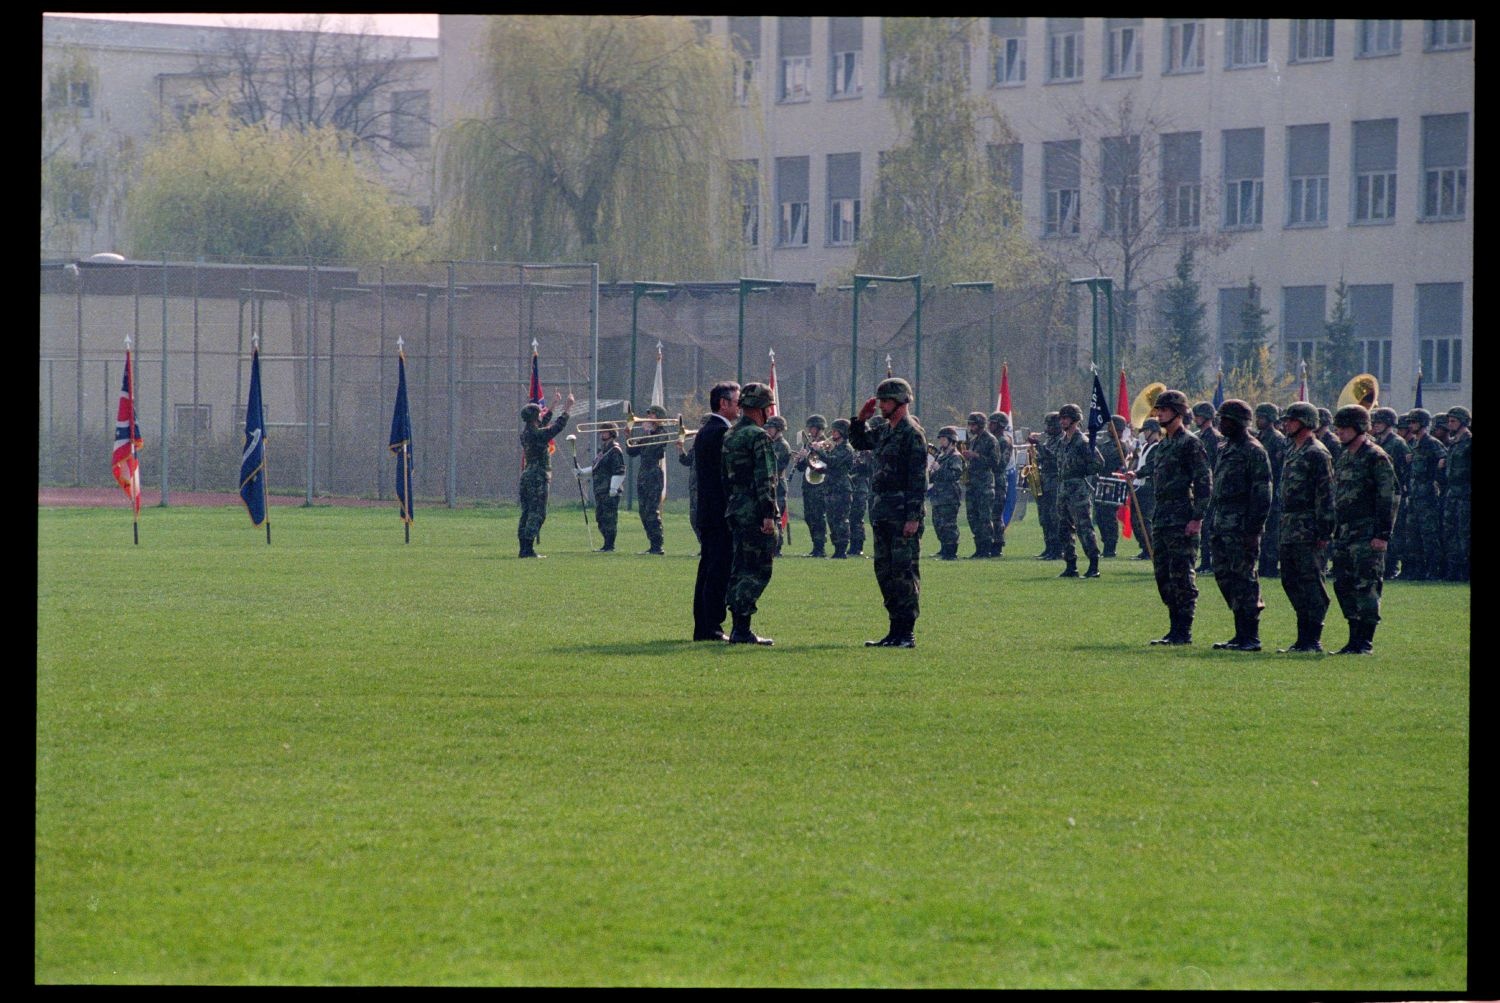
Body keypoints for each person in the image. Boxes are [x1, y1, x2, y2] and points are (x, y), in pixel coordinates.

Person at [850, 378, 927, 648]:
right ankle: (894, 630)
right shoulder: (884, 430)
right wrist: (860, 420)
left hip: (902, 514)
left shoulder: (911, 433)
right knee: (884, 572)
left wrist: (913, 517)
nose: (881, 405)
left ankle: (906, 633)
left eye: (886, 401)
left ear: (900, 401)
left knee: (903, 574)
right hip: (882, 512)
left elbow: (918, 479)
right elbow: (860, 442)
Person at [1330, 405, 1397, 654]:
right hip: (1345, 532)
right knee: (1343, 584)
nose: (1339, 433)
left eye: (1344, 428)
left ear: (1358, 428)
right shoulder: (1345, 455)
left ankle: (1364, 641)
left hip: (1367, 532)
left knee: (1366, 585)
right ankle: (1353, 637)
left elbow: (1388, 497)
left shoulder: (1375, 456)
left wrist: (1382, 534)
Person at [1206, 399, 1273, 650]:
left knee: (1244, 577)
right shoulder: (1225, 448)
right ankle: (1239, 633)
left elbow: (1262, 493)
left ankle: (1250, 636)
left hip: (1242, 525)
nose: (1221, 424)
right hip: (1222, 522)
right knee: (1225, 576)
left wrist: (1254, 529)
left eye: (1226, 420)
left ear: (1238, 422)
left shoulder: (1254, 450)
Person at [1147, 390, 1212, 644]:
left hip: (1182, 517)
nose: (1159, 414)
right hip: (1162, 517)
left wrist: (1197, 517)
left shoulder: (1191, 443)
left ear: (1177, 412)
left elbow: (1204, 482)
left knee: (1182, 575)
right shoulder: (1164, 444)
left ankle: (1183, 631)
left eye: (1163, 410)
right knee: (1163, 575)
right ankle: (1173, 628)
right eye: (1158, 410)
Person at [721, 382, 779, 645]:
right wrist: (769, 513)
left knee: (740, 566)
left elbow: (724, 476)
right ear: (762, 409)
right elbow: (766, 478)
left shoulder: (731, 435)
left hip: (735, 506)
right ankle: (742, 628)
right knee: (757, 568)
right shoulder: (758, 436)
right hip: (755, 510)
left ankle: (738, 625)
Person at [1275, 402, 1336, 652]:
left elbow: (1326, 495)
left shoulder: (1316, 453)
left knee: (1311, 582)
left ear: (1306, 422)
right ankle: (1303, 638)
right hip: (1290, 525)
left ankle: (1312, 638)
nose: (1286, 423)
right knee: (1290, 580)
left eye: (1292, 419)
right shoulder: (1293, 450)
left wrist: (1324, 531)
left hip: (1309, 527)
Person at [692, 383, 740, 642]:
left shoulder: (707, 430)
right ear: (723, 403)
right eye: (736, 401)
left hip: (709, 512)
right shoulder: (721, 432)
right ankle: (711, 627)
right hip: (720, 512)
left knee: (708, 568)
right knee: (718, 570)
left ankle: (705, 625)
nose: (739, 407)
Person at [517, 394, 573, 558]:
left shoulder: (526, 433)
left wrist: (554, 405)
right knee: (538, 513)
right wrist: (567, 408)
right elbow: (556, 427)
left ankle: (524, 547)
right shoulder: (537, 434)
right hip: (538, 476)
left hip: (527, 475)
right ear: (535, 418)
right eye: (539, 413)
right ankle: (528, 549)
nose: (542, 414)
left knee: (527, 512)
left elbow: (543, 424)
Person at [1054, 402, 1103, 579]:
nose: (1062, 421)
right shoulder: (1062, 442)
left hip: (1078, 490)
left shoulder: (1083, 442)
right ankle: (1070, 565)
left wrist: (1081, 470)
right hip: (1063, 490)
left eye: (1065, 418)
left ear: (1074, 420)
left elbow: (1098, 463)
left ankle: (1093, 564)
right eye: (1061, 418)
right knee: (1064, 529)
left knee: (1084, 528)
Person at [1403, 408, 1446, 580]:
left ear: (1423, 424)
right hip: (1415, 495)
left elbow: (1444, 458)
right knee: (1413, 534)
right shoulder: (1414, 443)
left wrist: (1437, 474)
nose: (1411, 425)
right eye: (1410, 422)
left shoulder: (1431, 442)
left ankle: (1434, 570)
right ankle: (1417, 570)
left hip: (1427, 496)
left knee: (1429, 535)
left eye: (1414, 422)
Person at [1369, 407, 1410, 580]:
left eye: (1380, 422)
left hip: (1394, 492)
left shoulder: (1397, 443)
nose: (1376, 425)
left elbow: (1405, 469)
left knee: (1393, 532)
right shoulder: (1378, 442)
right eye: (1375, 422)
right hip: (1378, 492)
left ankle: (1391, 567)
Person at [624, 404, 670, 554]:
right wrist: (628, 436)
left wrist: (649, 433)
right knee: (643, 511)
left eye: (652, 415)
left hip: (654, 474)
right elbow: (632, 451)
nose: (648, 417)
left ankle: (658, 545)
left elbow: (653, 450)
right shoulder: (647, 434)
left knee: (651, 510)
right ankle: (652, 544)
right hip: (643, 474)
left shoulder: (662, 433)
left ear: (659, 417)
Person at [574, 424, 625, 552]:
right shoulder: (603, 450)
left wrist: (613, 488)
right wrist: (582, 472)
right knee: (600, 517)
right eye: (601, 431)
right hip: (600, 490)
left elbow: (619, 471)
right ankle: (606, 544)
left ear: (612, 433)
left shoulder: (615, 450)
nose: (602, 433)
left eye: (605, 431)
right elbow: (597, 468)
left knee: (609, 518)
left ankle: (609, 545)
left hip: (609, 490)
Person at [811, 418, 856, 558]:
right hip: (831, 487)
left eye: (836, 430)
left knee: (841, 519)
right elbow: (828, 466)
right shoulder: (835, 448)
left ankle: (841, 549)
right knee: (831, 519)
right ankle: (837, 548)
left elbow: (833, 462)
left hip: (841, 488)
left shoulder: (846, 449)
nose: (832, 433)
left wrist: (819, 451)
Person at [1253, 402, 1287, 579]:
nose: (1258, 420)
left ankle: (1271, 566)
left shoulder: (1278, 439)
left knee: (1272, 532)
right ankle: (1264, 565)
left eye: (1262, 417)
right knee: (1263, 531)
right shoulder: (1260, 437)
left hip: (1274, 491)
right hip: (1261, 490)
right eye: (1257, 417)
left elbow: (1280, 469)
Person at [1191, 402, 1223, 575]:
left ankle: (1209, 562)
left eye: (1198, 415)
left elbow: (1214, 464)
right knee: (1203, 526)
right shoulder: (1201, 436)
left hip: (1211, 487)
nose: (1195, 418)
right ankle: (1205, 562)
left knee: (1209, 526)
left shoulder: (1214, 437)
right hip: (1201, 486)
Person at [961, 411, 998, 559]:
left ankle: (986, 548)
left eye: (973, 424)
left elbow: (995, 462)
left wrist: (976, 456)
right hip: (973, 484)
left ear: (980, 425)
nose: (971, 427)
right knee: (973, 517)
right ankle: (978, 548)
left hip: (984, 485)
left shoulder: (990, 440)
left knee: (984, 518)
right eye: (970, 424)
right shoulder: (974, 440)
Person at [1094, 414, 1130, 558]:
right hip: (1101, 482)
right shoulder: (1105, 444)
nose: (1108, 429)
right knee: (1100, 515)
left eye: (1111, 426)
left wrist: (1096, 446)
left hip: (1113, 484)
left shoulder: (1121, 446)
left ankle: (1111, 546)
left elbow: (1107, 460)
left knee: (1109, 516)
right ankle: (1106, 543)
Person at [794, 414, 830, 557]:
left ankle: (820, 547)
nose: (809, 430)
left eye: (812, 428)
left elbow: (825, 464)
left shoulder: (826, 444)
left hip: (820, 485)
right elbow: (801, 468)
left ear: (819, 428)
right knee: (809, 516)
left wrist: (815, 452)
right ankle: (815, 546)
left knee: (817, 516)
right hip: (808, 484)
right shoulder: (808, 444)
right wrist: (801, 458)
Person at [1442, 406, 1471, 581]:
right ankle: (1453, 570)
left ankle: (1464, 571)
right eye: (1449, 421)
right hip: (1452, 493)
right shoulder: (1453, 443)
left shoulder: (1468, 442)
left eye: (1453, 421)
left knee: (1464, 533)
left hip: (1465, 494)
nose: (1450, 424)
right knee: (1450, 531)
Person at [927, 426, 964, 560]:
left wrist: (939, 469)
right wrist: (931, 472)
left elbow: (955, 474)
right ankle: (944, 549)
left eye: (943, 439)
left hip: (949, 496)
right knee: (938, 523)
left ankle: (951, 552)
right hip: (938, 495)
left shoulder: (955, 457)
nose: (941, 441)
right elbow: (934, 476)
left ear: (951, 440)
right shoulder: (940, 456)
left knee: (949, 524)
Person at [1030, 412, 1063, 559]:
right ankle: (1049, 546)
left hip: (1055, 481)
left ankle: (1057, 549)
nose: (1047, 428)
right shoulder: (1049, 440)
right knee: (1044, 517)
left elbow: (1055, 457)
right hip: (1045, 481)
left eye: (1050, 425)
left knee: (1054, 516)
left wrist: (1039, 445)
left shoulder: (1062, 440)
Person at [1129, 417, 1161, 560]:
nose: (1143, 433)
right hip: (1139, 486)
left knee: (1145, 520)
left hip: (1149, 487)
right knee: (1136, 520)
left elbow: (1151, 466)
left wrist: (1137, 473)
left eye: (1146, 430)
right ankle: (1144, 547)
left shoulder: (1158, 447)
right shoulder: (1144, 447)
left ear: (1153, 431)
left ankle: (1151, 548)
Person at [765, 416, 792, 556]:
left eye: (771, 428)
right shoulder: (770, 443)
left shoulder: (782, 445)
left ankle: (777, 548)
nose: (768, 430)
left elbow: (777, 466)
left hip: (778, 486)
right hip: (771, 485)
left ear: (779, 429)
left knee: (777, 519)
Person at [987, 412, 1013, 557]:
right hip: (990, 480)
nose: (990, 425)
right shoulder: (991, 439)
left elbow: (1001, 464)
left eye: (993, 423)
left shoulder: (1003, 441)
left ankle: (997, 544)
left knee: (996, 514)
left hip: (998, 481)